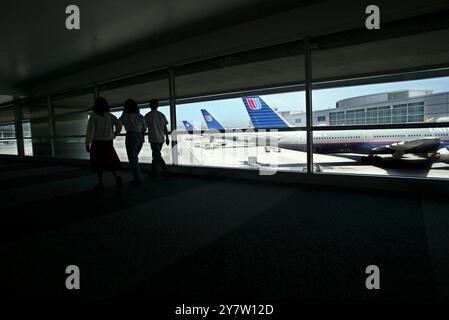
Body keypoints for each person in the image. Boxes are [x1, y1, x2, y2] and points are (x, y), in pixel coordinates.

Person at [86, 97, 123, 190]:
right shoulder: (110, 116)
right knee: (109, 160)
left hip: (97, 143)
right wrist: (114, 134)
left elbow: (90, 131)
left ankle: (101, 182)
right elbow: (119, 125)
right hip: (108, 142)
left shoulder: (93, 116)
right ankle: (116, 177)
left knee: (98, 163)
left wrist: (87, 143)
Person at [119, 99, 147, 185]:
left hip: (131, 136)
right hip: (140, 137)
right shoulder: (140, 116)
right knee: (135, 158)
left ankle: (137, 178)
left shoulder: (125, 116)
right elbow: (144, 128)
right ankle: (137, 176)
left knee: (133, 159)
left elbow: (119, 122)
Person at [144, 99, 170, 178]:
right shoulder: (161, 115)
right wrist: (167, 138)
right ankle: (154, 172)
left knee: (156, 155)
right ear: (157, 106)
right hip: (161, 139)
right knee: (155, 155)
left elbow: (144, 127)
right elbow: (165, 127)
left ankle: (166, 171)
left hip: (153, 139)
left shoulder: (147, 116)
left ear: (150, 106)